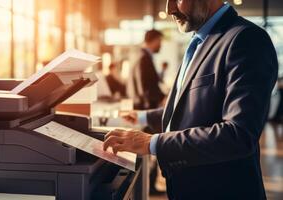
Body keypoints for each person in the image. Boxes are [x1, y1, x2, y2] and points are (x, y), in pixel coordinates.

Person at [103, 1, 278, 199]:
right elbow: (191, 107)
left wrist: (153, 143)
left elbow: (238, 135)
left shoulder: (246, 39)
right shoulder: (200, 41)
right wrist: (142, 117)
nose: (169, 9)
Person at [127, 29, 165, 110]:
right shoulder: (144, 58)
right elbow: (145, 86)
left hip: (141, 106)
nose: (161, 45)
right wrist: (162, 98)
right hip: (145, 108)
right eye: (159, 41)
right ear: (154, 40)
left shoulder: (140, 55)